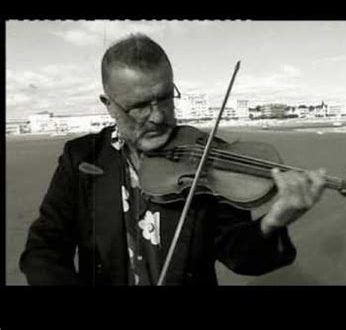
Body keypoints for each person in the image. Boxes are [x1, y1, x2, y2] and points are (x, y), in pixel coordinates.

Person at [19, 33, 326, 286]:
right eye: (139, 106)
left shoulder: (208, 156)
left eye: (165, 98)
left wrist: (274, 220)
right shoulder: (83, 157)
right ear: (109, 105)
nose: (157, 117)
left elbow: (240, 256)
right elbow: (43, 248)